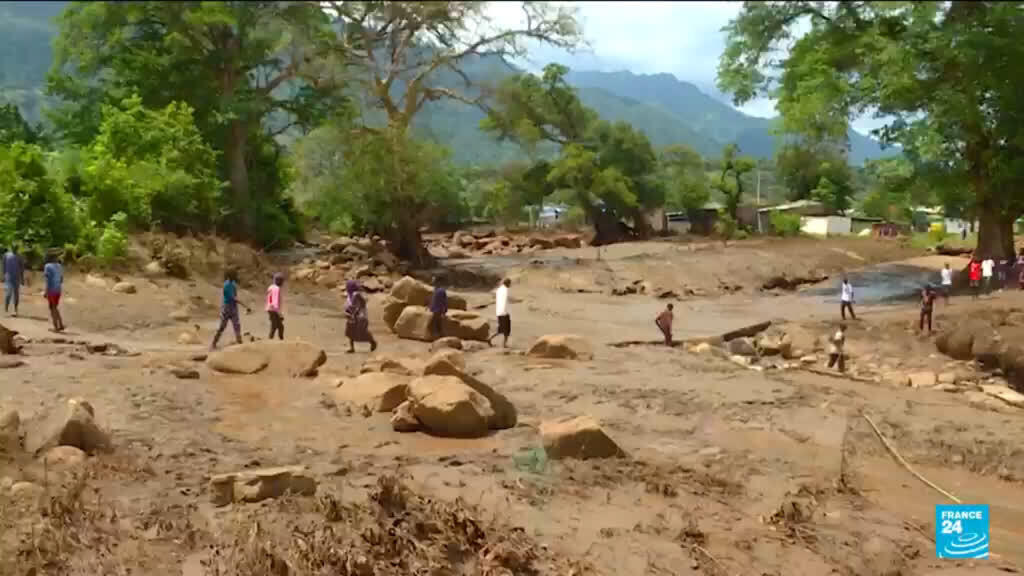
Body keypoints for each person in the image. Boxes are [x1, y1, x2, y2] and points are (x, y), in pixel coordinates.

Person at [211, 269, 250, 350]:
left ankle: (239, 342)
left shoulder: (233, 284)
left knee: (237, 325)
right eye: (234, 275)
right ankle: (214, 343)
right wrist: (245, 305)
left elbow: (235, 296)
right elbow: (233, 298)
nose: (236, 276)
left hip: (233, 307)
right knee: (222, 327)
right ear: (230, 276)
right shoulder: (227, 285)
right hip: (227, 308)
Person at [344, 280, 377, 353]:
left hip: (360, 316)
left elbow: (361, 304)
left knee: (361, 332)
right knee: (350, 331)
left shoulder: (356, 295)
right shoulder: (351, 295)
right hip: (353, 315)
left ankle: (372, 342)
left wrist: (356, 312)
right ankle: (352, 348)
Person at [43, 252, 65, 332]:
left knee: (53, 308)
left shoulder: (47, 266)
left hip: (51, 289)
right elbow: (62, 279)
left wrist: (46, 291)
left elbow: (47, 280)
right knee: (54, 307)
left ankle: (57, 326)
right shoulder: (59, 266)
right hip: (58, 289)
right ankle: (60, 324)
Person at [488, 278, 512, 348]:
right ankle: (504, 344)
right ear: (507, 283)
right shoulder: (505, 290)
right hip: (504, 312)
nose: (510, 285)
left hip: (499, 312)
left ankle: (490, 339)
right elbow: (506, 301)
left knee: (501, 329)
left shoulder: (499, 289)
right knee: (506, 330)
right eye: (509, 283)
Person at [3, 245, 24, 316]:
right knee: (8, 293)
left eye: (16, 247)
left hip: (16, 277)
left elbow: (22, 268)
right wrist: (4, 275)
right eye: (14, 247)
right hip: (8, 277)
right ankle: (6, 308)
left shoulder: (20, 256)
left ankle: (15, 309)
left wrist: (22, 278)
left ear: (17, 248)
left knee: (16, 294)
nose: (15, 248)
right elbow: (4, 265)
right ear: (11, 247)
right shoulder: (6, 255)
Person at [266, 273, 284, 340]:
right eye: (281, 281)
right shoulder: (276, 289)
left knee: (280, 326)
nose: (282, 283)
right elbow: (275, 302)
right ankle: (270, 340)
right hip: (274, 309)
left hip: (270, 308)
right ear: (278, 281)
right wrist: (280, 314)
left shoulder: (270, 287)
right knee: (275, 326)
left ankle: (280, 339)